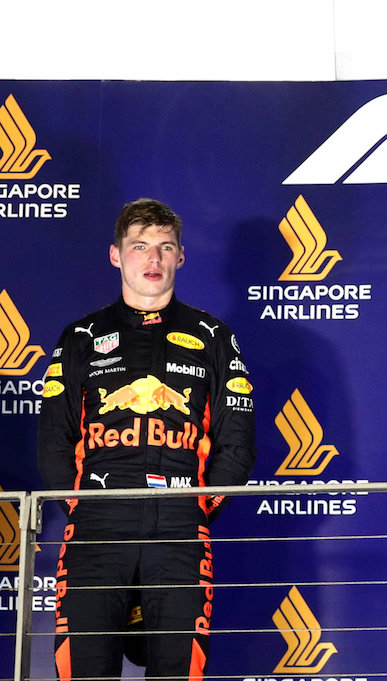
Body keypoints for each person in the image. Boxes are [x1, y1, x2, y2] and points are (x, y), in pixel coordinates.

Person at [37, 198, 256, 680]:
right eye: (140, 246)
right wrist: (81, 506)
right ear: (116, 255)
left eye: (165, 246)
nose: (153, 258)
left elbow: (237, 443)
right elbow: (54, 439)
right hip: (95, 528)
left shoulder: (214, 336)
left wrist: (198, 507)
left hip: (180, 527)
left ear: (181, 256)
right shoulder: (80, 337)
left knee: (178, 672)